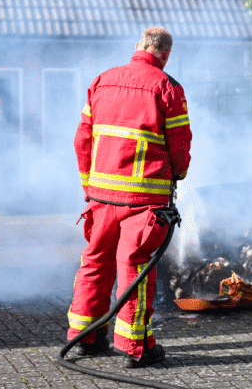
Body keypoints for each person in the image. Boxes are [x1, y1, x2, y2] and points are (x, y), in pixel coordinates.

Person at [68, 27, 192, 368]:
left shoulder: (102, 81)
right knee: (134, 267)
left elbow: (82, 141)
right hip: (143, 200)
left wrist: (88, 186)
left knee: (94, 263)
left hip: (101, 197)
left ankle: (85, 338)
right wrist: (178, 175)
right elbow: (179, 146)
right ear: (165, 55)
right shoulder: (168, 88)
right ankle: (135, 347)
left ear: (137, 47)